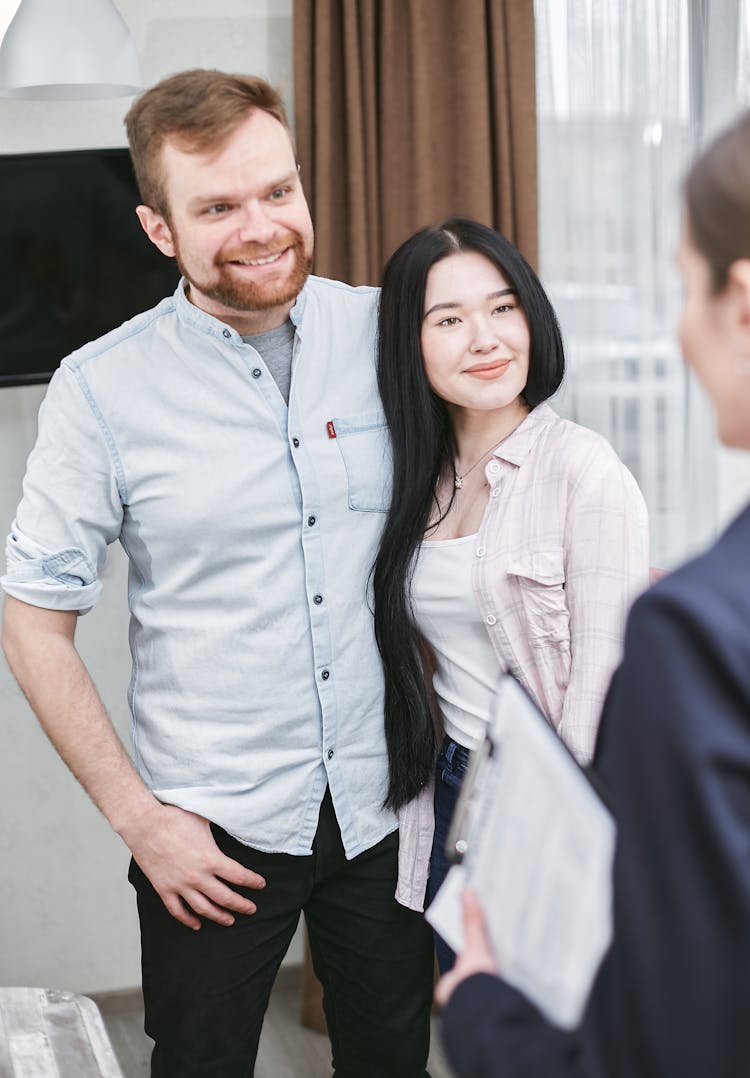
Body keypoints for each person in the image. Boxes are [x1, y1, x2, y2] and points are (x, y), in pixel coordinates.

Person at [0, 69, 434, 1078]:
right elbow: (31, 624)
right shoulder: (99, 391)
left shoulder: (389, 334)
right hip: (211, 837)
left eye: (278, 192)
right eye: (220, 207)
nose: (262, 226)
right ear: (161, 230)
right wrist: (141, 820)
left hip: (383, 809)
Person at [435, 110, 750, 1077]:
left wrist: (482, 1014)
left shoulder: (696, 633)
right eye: (446, 317)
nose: (676, 328)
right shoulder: (418, 480)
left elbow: (657, 1045)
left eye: (679, 283)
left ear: (739, 304)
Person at [373, 217, 650, 970]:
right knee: (476, 1028)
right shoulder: (415, 478)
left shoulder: (584, 473)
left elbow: (603, 690)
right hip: (449, 788)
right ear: (410, 342)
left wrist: (558, 848)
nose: (486, 339)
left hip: (542, 801)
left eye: (503, 308)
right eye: (449, 319)